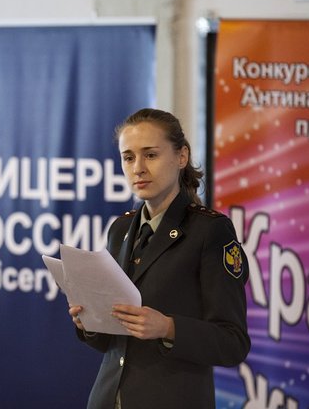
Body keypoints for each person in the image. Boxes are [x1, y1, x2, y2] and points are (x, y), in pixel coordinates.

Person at [68, 108, 250, 408]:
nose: (138, 168)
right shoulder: (120, 229)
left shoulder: (211, 231)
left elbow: (233, 343)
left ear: (181, 157)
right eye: (128, 157)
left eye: (150, 155)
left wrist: (168, 327)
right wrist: (89, 321)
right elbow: (111, 343)